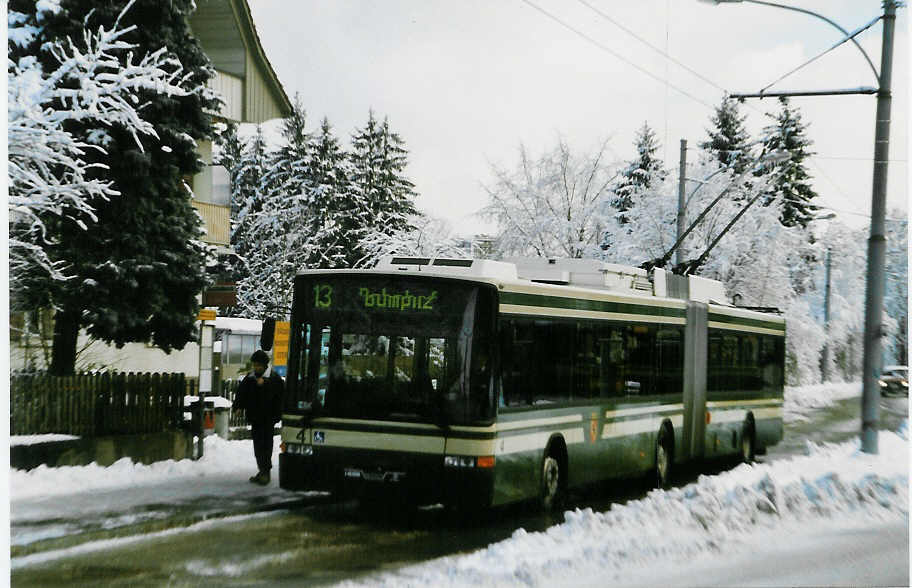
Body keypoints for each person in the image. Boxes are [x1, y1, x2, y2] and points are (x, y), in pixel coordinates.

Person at [233, 349, 283, 485]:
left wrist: (265, 385)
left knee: (266, 446)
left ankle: (265, 472)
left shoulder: (273, 379)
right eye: (255, 365)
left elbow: (278, 398)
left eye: (259, 365)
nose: (257, 368)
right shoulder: (250, 378)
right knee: (257, 446)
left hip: (268, 419)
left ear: (265, 365)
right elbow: (241, 393)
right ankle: (262, 470)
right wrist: (238, 407)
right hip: (255, 418)